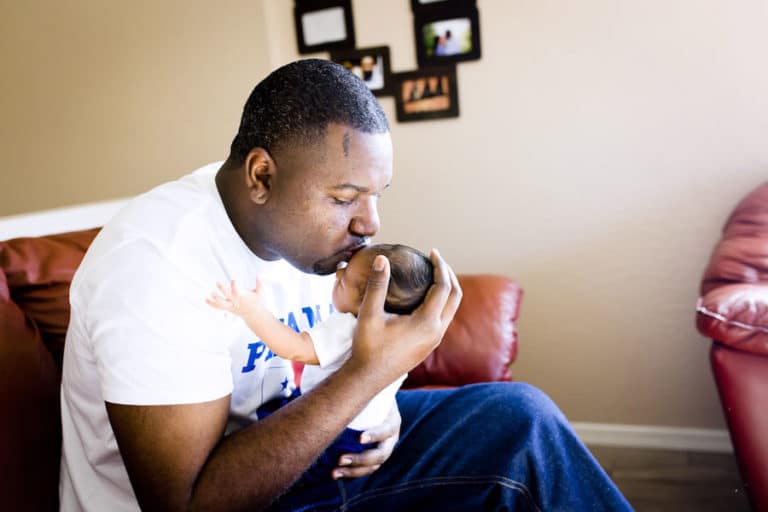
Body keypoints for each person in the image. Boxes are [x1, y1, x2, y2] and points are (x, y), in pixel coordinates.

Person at [60, 58, 631, 511]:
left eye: (376, 194)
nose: (371, 224)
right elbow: (187, 503)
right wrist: (368, 376)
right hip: (228, 493)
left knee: (519, 418)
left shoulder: (309, 243)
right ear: (262, 176)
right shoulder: (157, 262)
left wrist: (384, 414)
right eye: (344, 198)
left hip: (306, 458)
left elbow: (332, 366)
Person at [206, 244, 432, 484]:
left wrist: (253, 311)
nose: (337, 274)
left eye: (344, 279)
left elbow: (294, 348)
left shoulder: (349, 326)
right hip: (360, 429)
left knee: (308, 481)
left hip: (334, 431)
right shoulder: (400, 336)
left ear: (367, 302)